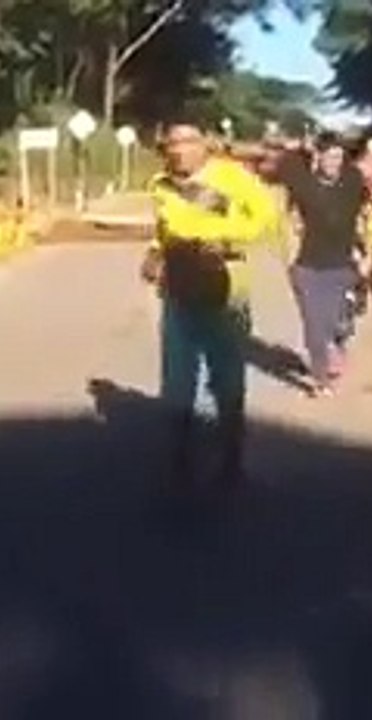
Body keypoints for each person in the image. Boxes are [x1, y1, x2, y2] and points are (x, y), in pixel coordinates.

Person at [140, 119, 277, 491]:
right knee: (177, 376)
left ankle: (232, 460)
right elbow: (163, 227)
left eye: (186, 143)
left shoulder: (233, 179)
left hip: (225, 287)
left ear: (203, 146)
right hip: (179, 288)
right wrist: (155, 253)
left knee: (227, 376)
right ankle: (180, 460)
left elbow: (267, 219)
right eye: (171, 144)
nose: (178, 150)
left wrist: (226, 238)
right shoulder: (160, 184)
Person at [272, 132, 371, 397]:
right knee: (315, 325)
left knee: (338, 322)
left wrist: (367, 253)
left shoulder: (353, 180)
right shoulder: (303, 182)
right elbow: (284, 164)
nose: (333, 162)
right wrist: (301, 147)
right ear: (318, 157)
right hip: (308, 266)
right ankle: (320, 379)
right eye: (328, 156)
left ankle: (337, 344)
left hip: (343, 265)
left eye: (338, 157)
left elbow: (364, 217)